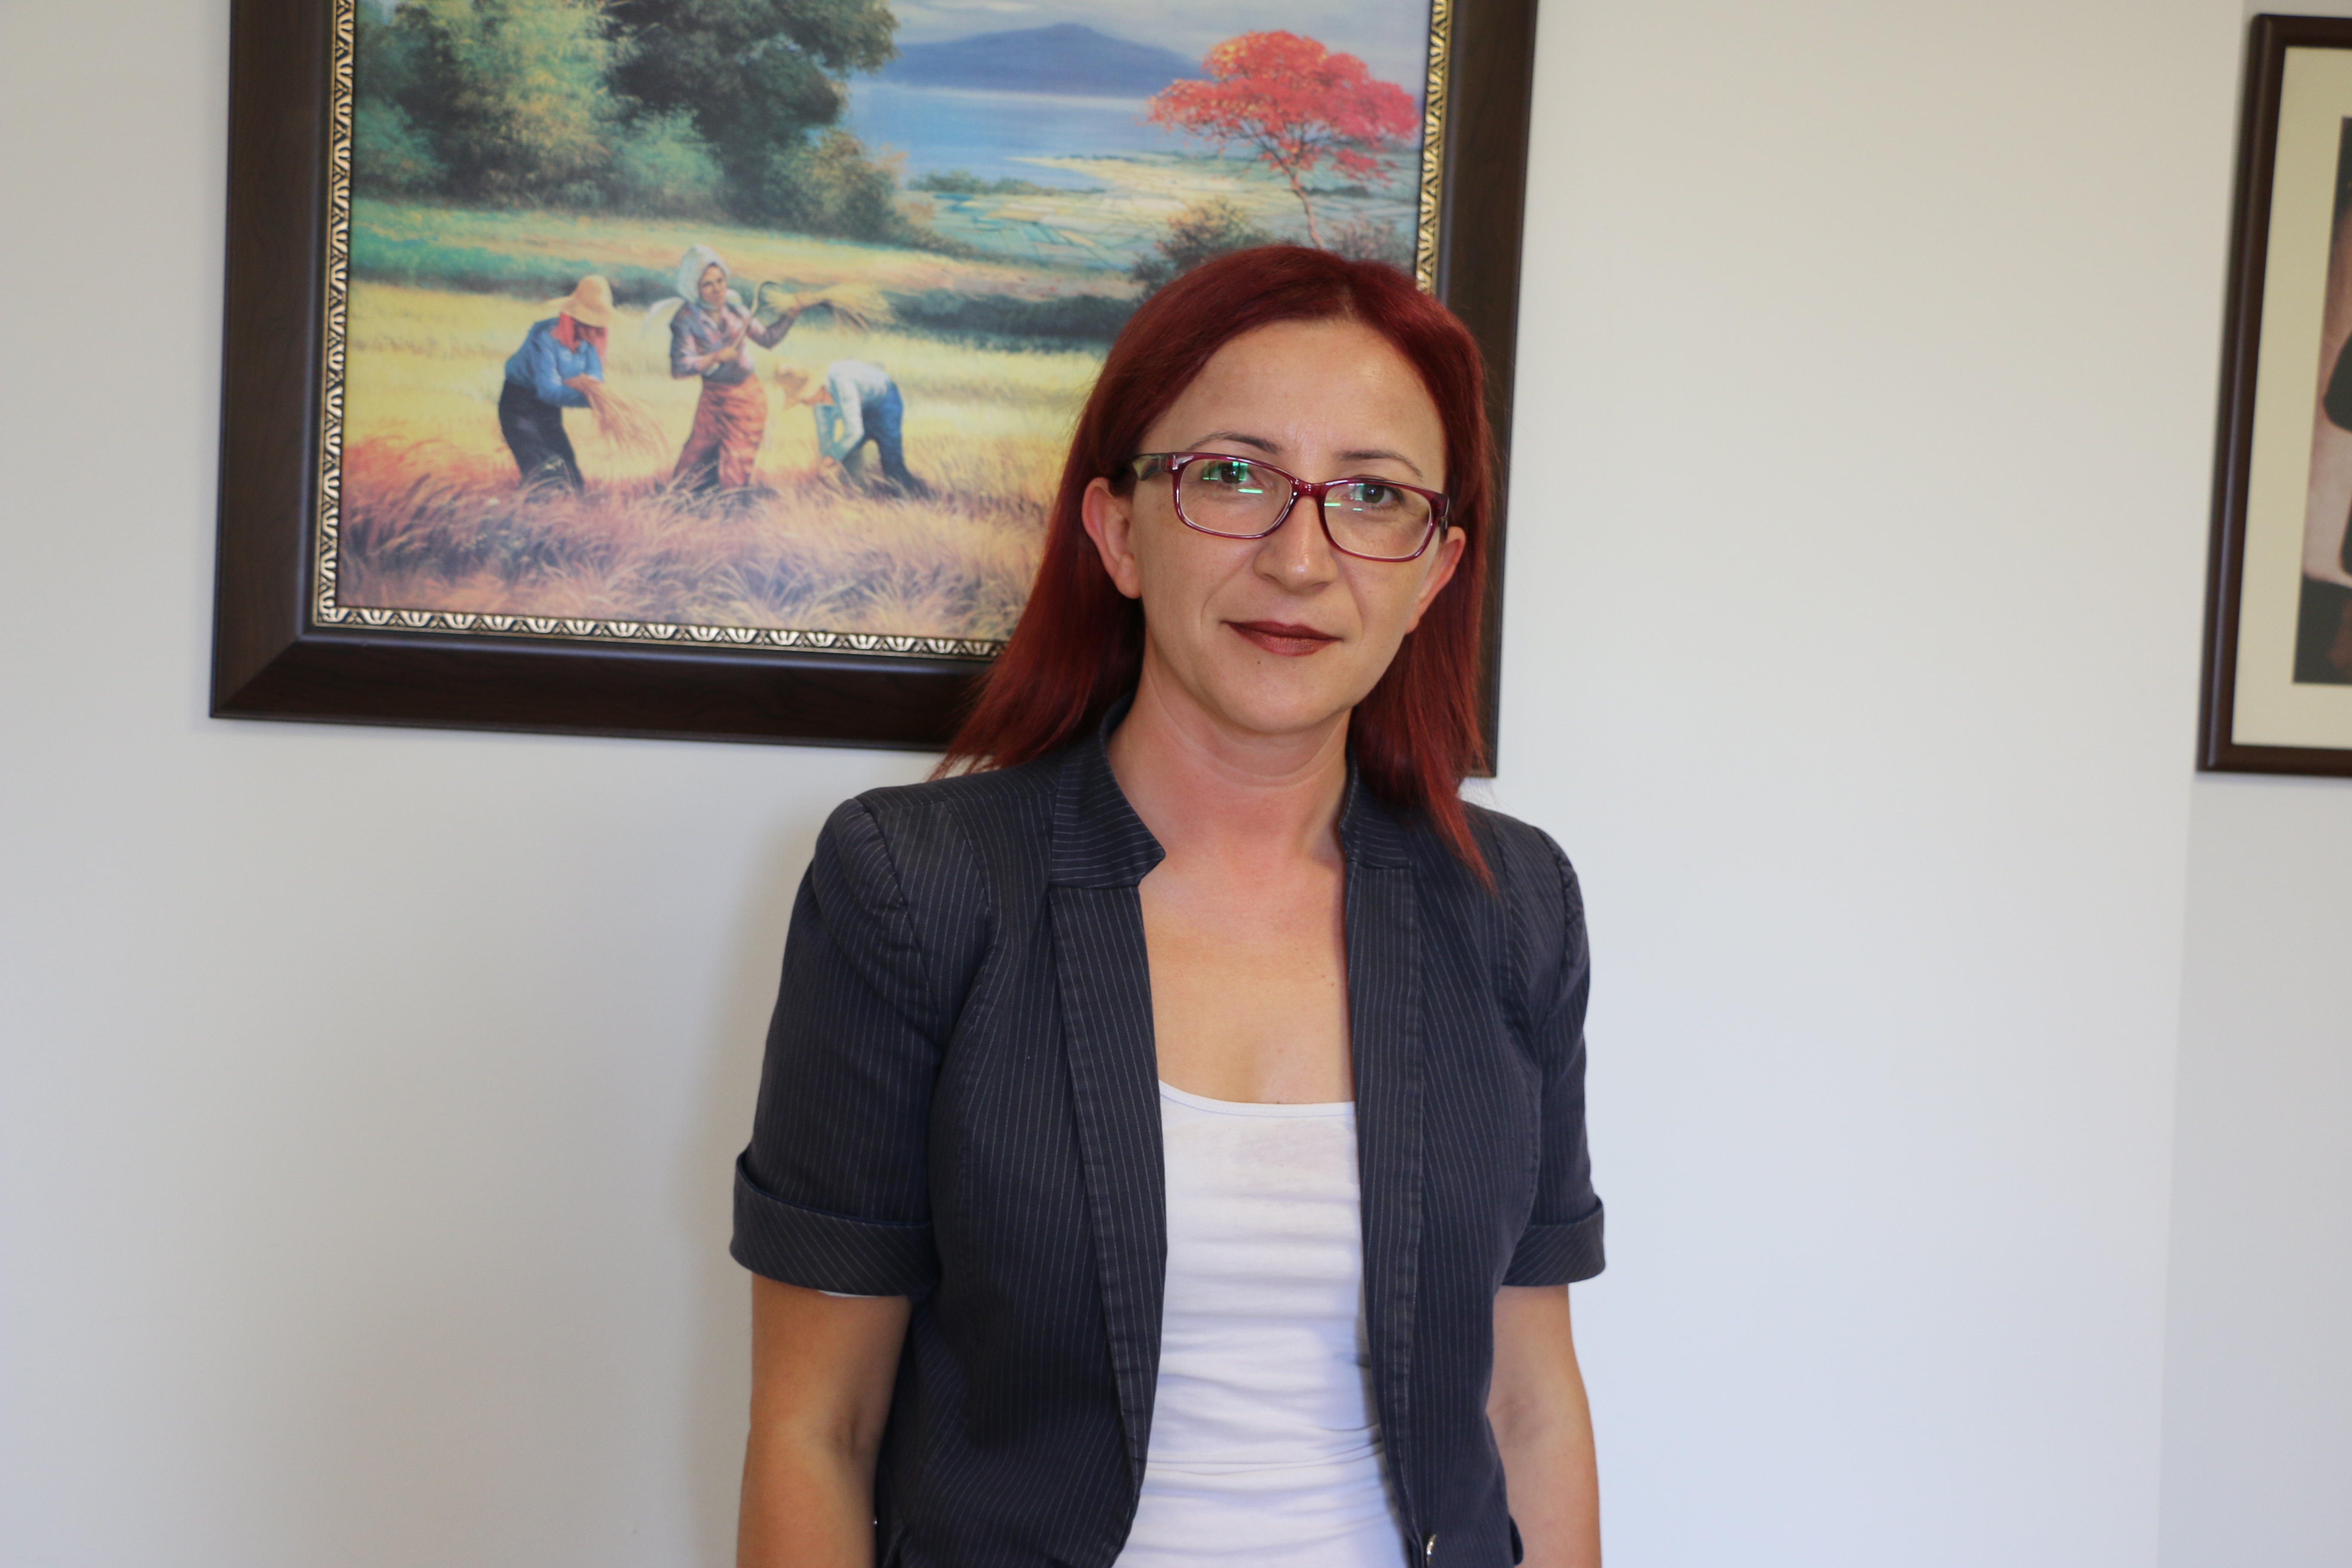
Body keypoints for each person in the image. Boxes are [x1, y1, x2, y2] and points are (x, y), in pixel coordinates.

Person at [732, 247, 1603, 1568]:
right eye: (1234, 476)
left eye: (1374, 495)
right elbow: (817, 1425)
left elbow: (1530, 1403)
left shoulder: (1515, 903)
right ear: (1118, 530)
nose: (1301, 560)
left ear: (1434, 572)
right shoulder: (915, 886)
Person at [668, 245, 800, 494]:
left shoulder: (736, 309)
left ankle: (733, 509)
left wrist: (791, 315)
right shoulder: (685, 319)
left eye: (721, 281)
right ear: (694, 288)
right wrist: (714, 358)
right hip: (712, 400)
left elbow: (768, 339)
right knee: (691, 467)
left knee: (736, 470)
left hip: (746, 400)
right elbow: (680, 367)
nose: (718, 289)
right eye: (708, 285)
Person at [498, 276, 612, 490]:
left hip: (549, 413)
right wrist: (587, 393)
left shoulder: (588, 345)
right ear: (578, 321)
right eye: (594, 324)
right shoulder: (545, 338)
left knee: (573, 481)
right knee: (544, 476)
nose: (600, 332)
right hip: (519, 408)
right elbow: (549, 391)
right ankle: (527, 509)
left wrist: (598, 395)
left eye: (601, 325)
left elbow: (595, 382)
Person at [778, 358, 929, 496]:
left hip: (885, 402)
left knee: (891, 460)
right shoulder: (819, 406)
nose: (806, 404)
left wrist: (832, 458)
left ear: (814, 388)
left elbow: (855, 431)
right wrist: (826, 464)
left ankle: (914, 494)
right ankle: (856, 494)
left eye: (803, 399)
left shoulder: (842, 382)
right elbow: (825, 436)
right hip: (861, 408)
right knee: (848, 456)